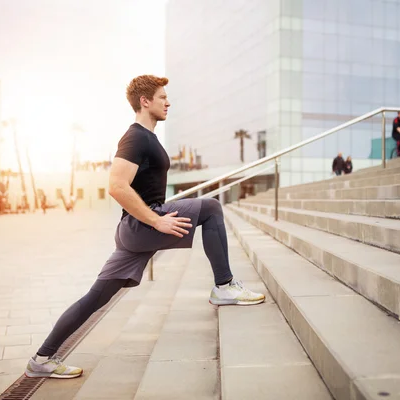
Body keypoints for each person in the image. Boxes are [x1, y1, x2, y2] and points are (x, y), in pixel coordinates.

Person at [25, 75, 265, 379]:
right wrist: (156, 220)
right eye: (162, 97)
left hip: (135, 231)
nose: (168, 102)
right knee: (212, 208)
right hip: (142, 226)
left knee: (96, 297)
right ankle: (224, 285)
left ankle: (41, 359)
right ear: (145, 101)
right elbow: (115, 186)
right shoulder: (136, 137)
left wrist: (156, 215)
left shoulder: (147, 137)